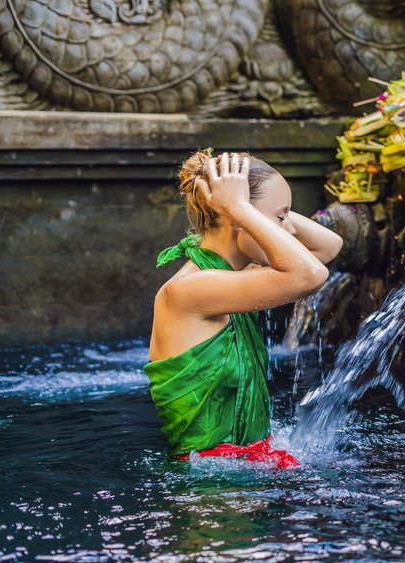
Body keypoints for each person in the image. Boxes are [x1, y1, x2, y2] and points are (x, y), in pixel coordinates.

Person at [144, 151, 342, 465]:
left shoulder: (234, 279)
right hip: (210, 497)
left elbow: (328, 247)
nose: (288, 230)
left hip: (241, 476)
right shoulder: (189, 291)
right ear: (235, 217)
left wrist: (256, 207)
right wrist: (237, 206)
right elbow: (311, 274)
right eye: (280, 218)